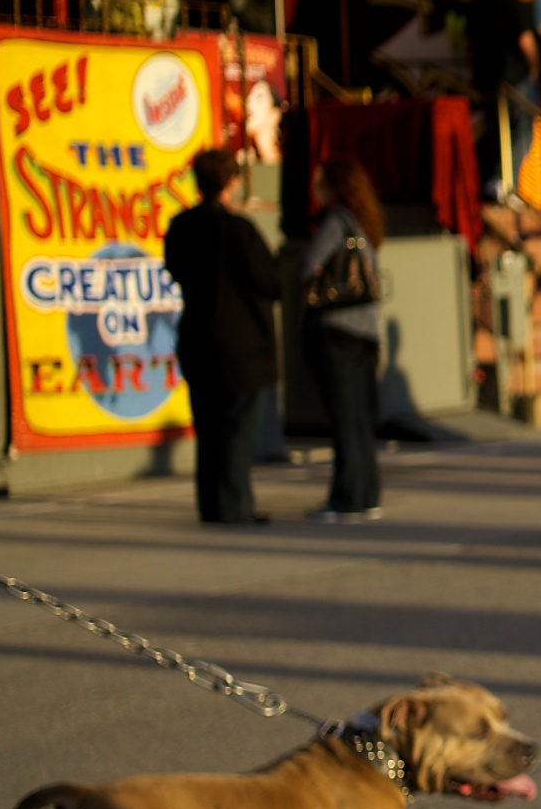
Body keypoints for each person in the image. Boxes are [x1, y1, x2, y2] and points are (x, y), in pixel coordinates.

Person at [165, 149, 281, 526]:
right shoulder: (238, 229)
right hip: (242, 343)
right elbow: (269, 281)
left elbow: (176, 269)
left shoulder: (181, 226)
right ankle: (234, 505)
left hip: (198, 336)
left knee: (209, 427)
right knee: (238, 429)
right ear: (232, 182)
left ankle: (212, 504)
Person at [296, 158, 386, 522]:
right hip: (368, 330)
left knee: (343, 418)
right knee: (361, 417)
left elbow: (306, 267)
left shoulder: (335, 223)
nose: (315, 192)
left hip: (337, 329)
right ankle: (367, 493)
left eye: (320, 185)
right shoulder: (366, 222)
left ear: (335, 188)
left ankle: (346, 497)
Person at [471, 0, 541, 194]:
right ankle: (507, 181)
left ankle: (495, 179)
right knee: (522, 129)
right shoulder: (513, 4)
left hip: (486, 78)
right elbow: (525, 40)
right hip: (514, 78)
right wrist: (535, 65)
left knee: (494, 128)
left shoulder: (478, 3)